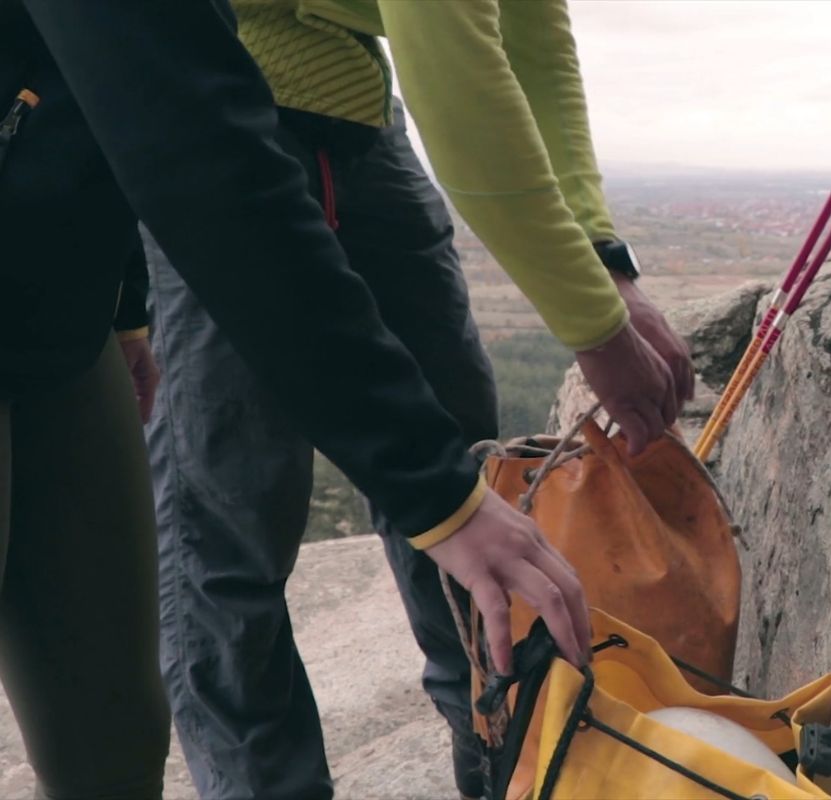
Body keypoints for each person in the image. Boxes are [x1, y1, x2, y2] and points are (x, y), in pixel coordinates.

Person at [0, 0, 608, 795]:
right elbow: (188, 139)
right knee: (223, 543)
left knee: (113, 731)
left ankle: (507, 762)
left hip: (75, 286)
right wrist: (440, 493)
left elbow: (108, 79)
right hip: (166, 166)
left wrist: (122, 302)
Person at [136, 2, 693, 797]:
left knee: (461, 468)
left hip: (361, 116)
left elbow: (532, 33)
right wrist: (598, 331)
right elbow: (459, 82)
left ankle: (504, 758)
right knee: (230, 519)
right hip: (215, 91)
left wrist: (605, 258)